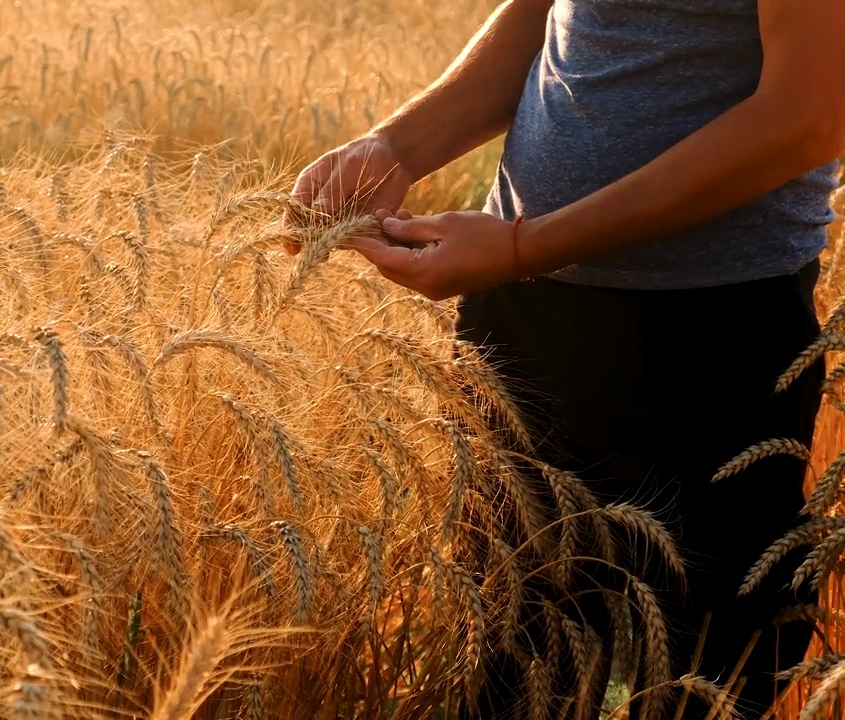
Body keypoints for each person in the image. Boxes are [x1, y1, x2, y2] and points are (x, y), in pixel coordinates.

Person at [284, 0, 843, 718]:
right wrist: (394, 147)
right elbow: (551, 13)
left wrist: (523, 246)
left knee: (700, 678)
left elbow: (808, 113)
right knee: (504, 665)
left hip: (703, 343)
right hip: (522, 314)